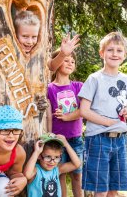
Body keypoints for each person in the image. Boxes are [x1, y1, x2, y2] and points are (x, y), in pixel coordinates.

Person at [78, 32, 127, 197]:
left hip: (120, 140)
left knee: (114, 189)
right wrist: (109, 123)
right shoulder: (94, 79)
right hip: (98, 139)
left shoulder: (126, 80)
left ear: (124, 55)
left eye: (119, 50)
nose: (115, 54)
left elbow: (124, 107)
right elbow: (84, 111)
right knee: (100, 190)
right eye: (110, 50)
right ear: (101, 53)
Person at [46, 33, 83, 197]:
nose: (70, 63)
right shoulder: (49, 88)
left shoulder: (78, 86)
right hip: (57, 139)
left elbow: (83, 110)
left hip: (76, 138)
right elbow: (47, 115)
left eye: (73, 61)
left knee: (77, 174)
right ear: (58, 61)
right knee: (59, 174)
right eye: (66, 60)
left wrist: (67, 116)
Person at [24, 133, 81, 197]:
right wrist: (36, 152)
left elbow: (77, 164)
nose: (52, 162)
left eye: (56, 157)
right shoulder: (36, 171)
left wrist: (66, 145)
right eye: (48, 157)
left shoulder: (57, 170)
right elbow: (27, 174)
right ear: (39, 155)